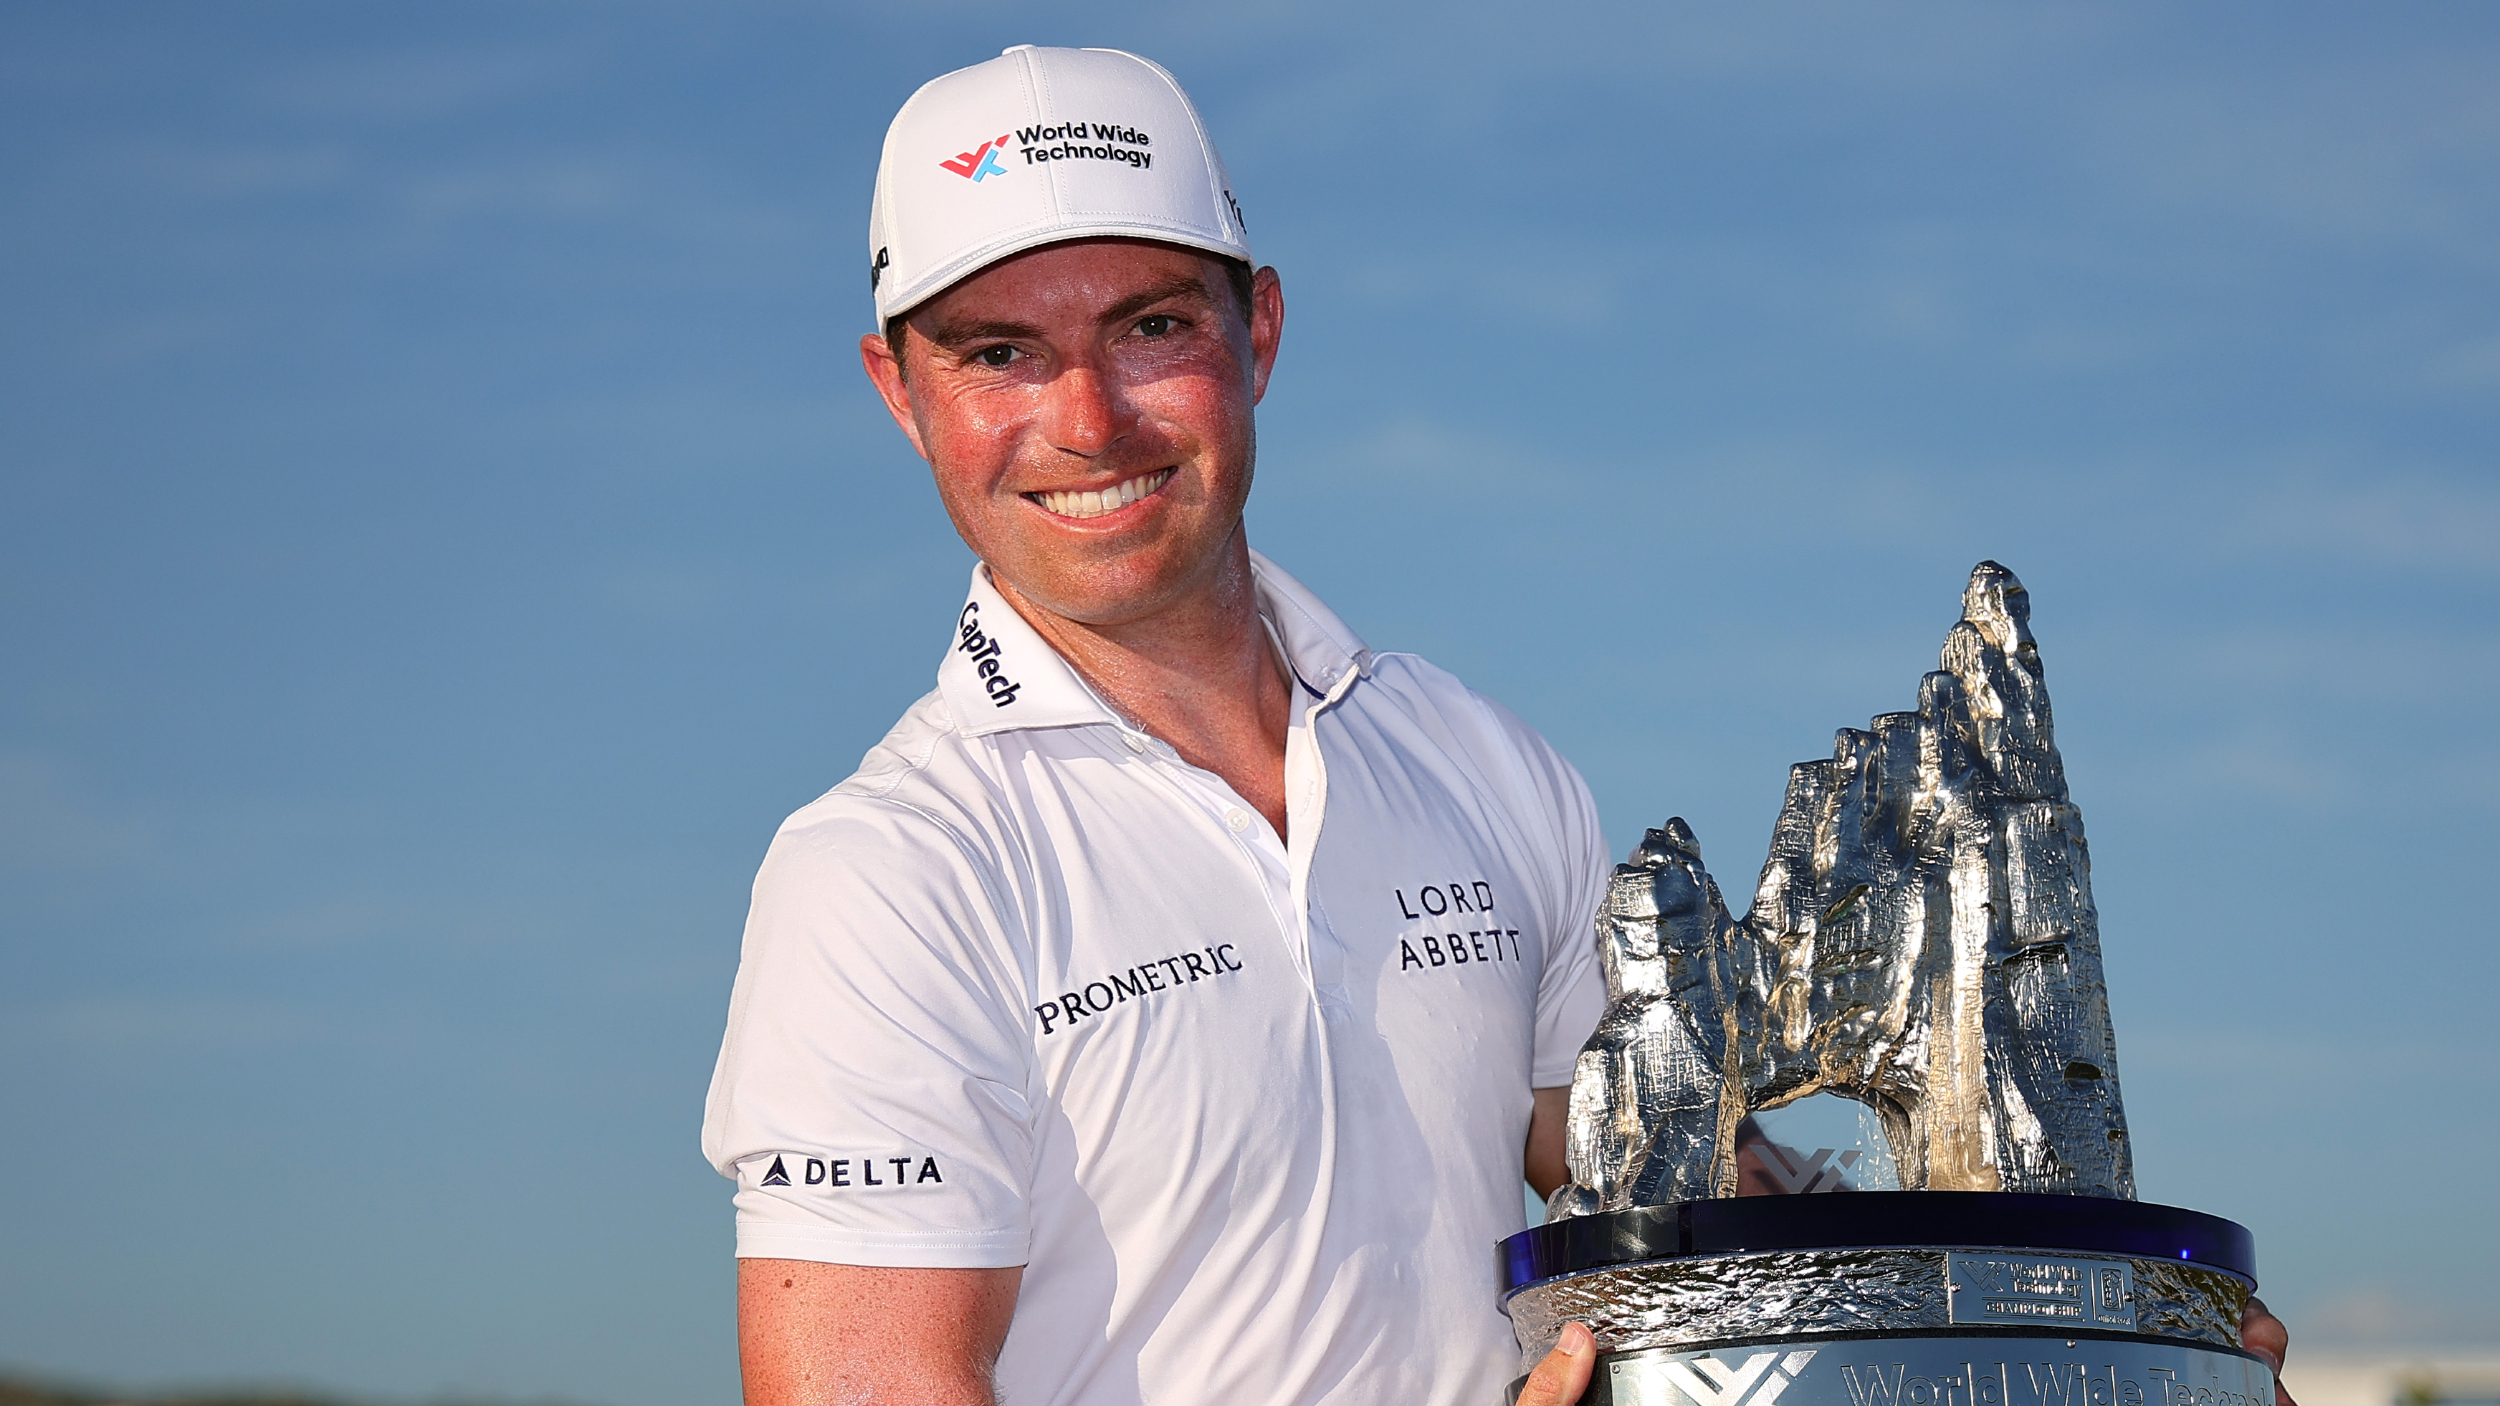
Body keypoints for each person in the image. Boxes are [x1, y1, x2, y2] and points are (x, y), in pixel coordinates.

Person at [701, 44, 2295, 1406]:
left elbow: (1673, 1189)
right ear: (898, 390)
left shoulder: (1476, 763)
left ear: (1257, 332)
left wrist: (2097, 1327)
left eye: (1149, 327)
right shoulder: (885, 877)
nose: (1088, 421)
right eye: (998, 354)